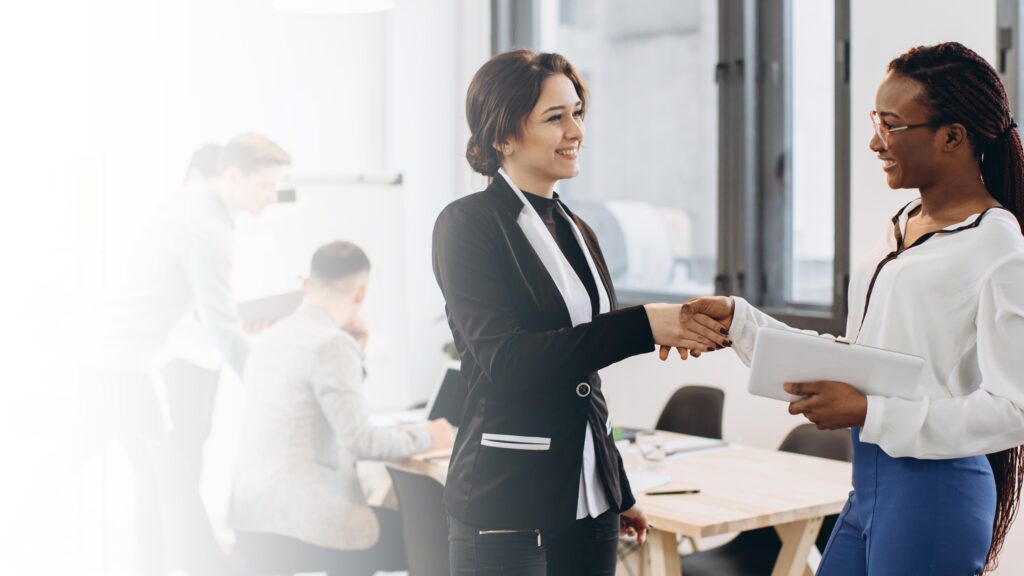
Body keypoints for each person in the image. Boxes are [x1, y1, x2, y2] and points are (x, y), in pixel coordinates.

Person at [681, 42, 1024, 575]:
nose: (874, 141)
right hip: (870, 488)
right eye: (875, 121)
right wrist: (742, 324)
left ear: (953, 136)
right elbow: (863, 358)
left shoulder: (996, 246)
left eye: (892, 125)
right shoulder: (903, 225)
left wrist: (870, 412)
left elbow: (1014, 409)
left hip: (934, 496)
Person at [432, 50, 732, 576]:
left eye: (578, 113)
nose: (576, 131)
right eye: (556, 117)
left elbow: (583, 377)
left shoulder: (576, 226)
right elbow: (509, 360)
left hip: (589, 501)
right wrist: (644, 325)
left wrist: (616, 486)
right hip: (508, 499)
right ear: (503, 135)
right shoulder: (468, 225)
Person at [63, 133, 291, 575]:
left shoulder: (193, 209)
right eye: (265, 185)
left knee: (103, 455)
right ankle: (180, 562)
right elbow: (222, 327)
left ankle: (165, 560)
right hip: (120, 361)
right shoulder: (209, 229)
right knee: (162, 472)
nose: (271, 195)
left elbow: (203, 306)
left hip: (110, 356)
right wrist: (269, 388)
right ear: (233, 176)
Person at [230, 240, 455, 576]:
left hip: (252, 519)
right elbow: (361, 440)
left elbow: (325, 414)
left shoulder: (271, 338)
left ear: (308, 284)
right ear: (361, 293)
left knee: (370, 517)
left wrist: (357, 355)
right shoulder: (332, 343)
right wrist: (428, 436)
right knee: (428, 538)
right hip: (303, 524)